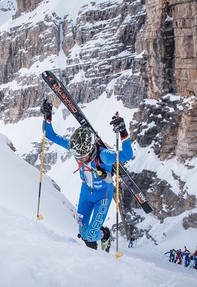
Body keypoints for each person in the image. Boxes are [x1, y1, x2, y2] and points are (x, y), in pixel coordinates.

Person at [40, 99, 134, 250]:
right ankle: (91, 247)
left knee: (91, 234)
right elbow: (50, 135)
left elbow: (127, 155)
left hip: (102, 196)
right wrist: (47, 116)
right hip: (86, 192)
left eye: (82, 156)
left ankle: (105, 235)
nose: (79, 158)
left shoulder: (104, 156)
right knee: (82, 231)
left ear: (91, 149)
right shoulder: (76, 148)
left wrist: (123, 132)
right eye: (77, 155)